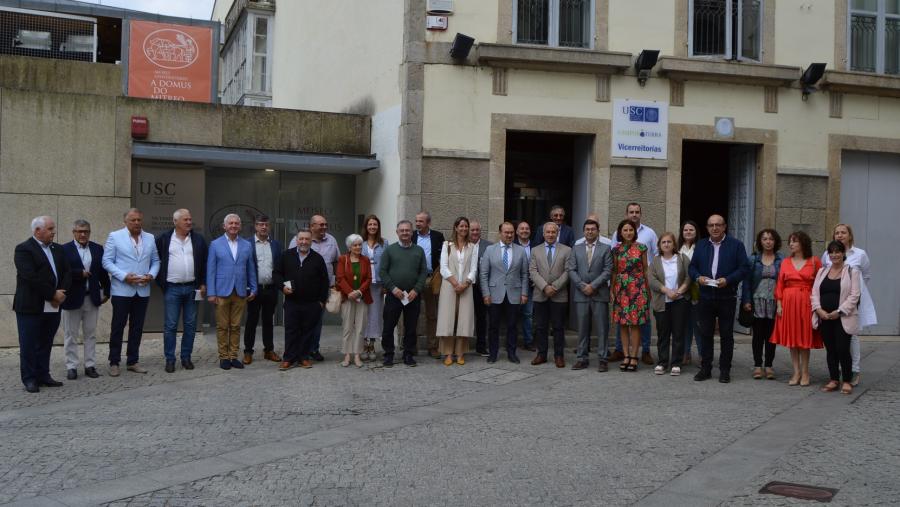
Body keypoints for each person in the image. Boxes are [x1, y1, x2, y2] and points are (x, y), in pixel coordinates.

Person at [689, 214, 748, 383]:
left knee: (726, 335)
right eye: (711, 225)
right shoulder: (700, 245)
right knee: (705, 333)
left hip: (726, 296)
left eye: (718, 225)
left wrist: (728, 280)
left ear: (724, 227)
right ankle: (706, 368)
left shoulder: (736, 245)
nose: (714, 228)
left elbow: (744, 268)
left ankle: (724, 370)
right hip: (706, 296)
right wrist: (698, 277)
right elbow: (692, 267)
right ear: (707, 228)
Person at [15, 216, 71, 393]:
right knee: (29, 343)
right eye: (50, 229)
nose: (53, 232)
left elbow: (67, 272)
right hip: (31, 305)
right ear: (37, 231)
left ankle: (43, 375)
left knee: (46, 342)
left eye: (53, 228)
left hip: (54, 305)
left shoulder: (58, 249)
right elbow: (30, 277)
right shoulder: (24, 249)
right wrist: (52, 294)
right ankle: (30, 379)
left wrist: (61, 293)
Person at [102, 208, 160, 377]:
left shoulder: (149, 238)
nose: (136, 223)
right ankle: (114, 361)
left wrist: (151, 274)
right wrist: (123, 276)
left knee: (137, 327)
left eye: (139, 220)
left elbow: (156, 261)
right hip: (122, 289)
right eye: (133, 220)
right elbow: (106, 261)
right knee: (118, 326)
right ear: (125, 221)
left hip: (142, 290)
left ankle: (133, 361)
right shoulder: (115, 236)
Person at [821, 223, 875, 386]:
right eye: (837, 233)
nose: (840, 235)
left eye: (843, 232)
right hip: (832, 303)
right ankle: (836, 372)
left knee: (851, 336)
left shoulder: (860, 254)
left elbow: (866, 275)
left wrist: (854, 292)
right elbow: (825, 275)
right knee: (833, 339)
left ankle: (854, 370)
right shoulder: (826, 254)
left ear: (850, 235)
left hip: (851, 300)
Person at [155, 209, 207, 373]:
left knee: (190, 325)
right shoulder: (164, 239)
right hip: (172, 288)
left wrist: (203, 283)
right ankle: (170, 359)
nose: (189, 222)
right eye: (185, 219)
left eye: (190, 219)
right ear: (175, 221)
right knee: (170, 325)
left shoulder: (198, 239)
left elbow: (205, 263)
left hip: (192, 288)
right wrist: (161, 283)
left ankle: (186, 357)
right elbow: (155, 261)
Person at [768, 231, 822, 386]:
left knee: (804, 339)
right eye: (790, 241)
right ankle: (796, 371)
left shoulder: (814, 261)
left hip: (806, 302)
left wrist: (817, 306)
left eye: (794, 241)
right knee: (792, 339)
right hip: (788, 302)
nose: (791, 244)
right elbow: (780, 284)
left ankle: (805, 372)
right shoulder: (785, 262)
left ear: (803, 243)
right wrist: (779, 304)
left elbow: (819, 284)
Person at [207, 213, 258, 371]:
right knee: (222, 326)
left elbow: (251, 268)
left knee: (236, 326)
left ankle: (233, 356)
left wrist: (254, 287)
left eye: (237, 223)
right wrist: (211, 292)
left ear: (240, 226)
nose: (234, 226)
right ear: (224, 226)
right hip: (221, 291)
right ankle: (223, 357)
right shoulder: (215, 244)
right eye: (231, 223)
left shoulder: (247, 245)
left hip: (240, 291)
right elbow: (211, 270)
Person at [60, 219, 109, 380]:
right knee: (70, 334)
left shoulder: (97, 248)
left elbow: (103, 272)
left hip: (92, 297)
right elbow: (62, 273)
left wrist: (107, 291)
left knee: (91, 334)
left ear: (89, 232)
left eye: (86, 231)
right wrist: (78, 274)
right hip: (72, 297)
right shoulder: (64, 250)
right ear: (73, 232)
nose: (82, 234)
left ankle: (90, 365)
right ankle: (71, 366)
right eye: (79, 231)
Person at [611, 202, 659, 365]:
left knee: (637, 324)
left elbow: (646, 269)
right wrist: (612, 290)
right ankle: (625, 355)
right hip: (621, 289)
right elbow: (615, 271)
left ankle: (634, 356)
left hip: (638, 289)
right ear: (621, 232)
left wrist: (648, 289)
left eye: (631, 230)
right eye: (625, 230)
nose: (628, 232)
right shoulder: (616, 249)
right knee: (623, 324)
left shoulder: (641, 248)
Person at [275, 230, 329, 370]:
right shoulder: (286, 255)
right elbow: (277, 274)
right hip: (292, 302)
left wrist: (321, 301)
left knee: (307, 332)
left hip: (311, 303)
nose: (304, 242)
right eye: (301, 239)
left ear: (311, 241)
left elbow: (324, 281)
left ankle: (303, 357)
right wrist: (282, 287)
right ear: (296, 240)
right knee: (291, 331)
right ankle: (288, 358)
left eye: (307, 239)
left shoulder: (318, 258)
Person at [812, 241, 861, 395]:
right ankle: (833, 379)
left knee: (842, 349)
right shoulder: (822, 271)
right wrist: (818, 310)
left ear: (843, 253)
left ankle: (846, 380)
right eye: (831, 252)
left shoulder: (852, 271)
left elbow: (855, 296)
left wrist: (839, 311)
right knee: (831, 350)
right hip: (825, 317)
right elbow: (814, 293)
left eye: (837, 251)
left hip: (842, 317)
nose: (834, 255)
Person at [380, 220, 428, 367]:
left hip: (412, 296)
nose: (405, 233)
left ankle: (408, 354)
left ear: (412, 232)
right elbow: (382, 271)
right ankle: (388, 354)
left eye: (408, 230)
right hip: (394, 295)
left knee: (411, 327)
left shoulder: (419, 250)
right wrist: (393, 289)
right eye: (402, 230)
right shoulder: (389, 250)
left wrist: (416, 289)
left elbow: (423, 272)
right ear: (397, 232)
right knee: (388, 326)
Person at [480, 222, 529, 364]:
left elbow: (524, 274)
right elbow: (484, 274)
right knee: (493, 326)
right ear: (500, 233)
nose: (509, 235)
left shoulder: (520, 251)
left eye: (511, 232)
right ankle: (493, 354)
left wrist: (524, 293)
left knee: (512, 326)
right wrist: (486, 294)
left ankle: (512, 353)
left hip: (514, 293)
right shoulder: (490, 250)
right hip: (494, 294)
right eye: (506, 232)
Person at [567, 219, 612, 371]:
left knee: (602, 328)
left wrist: (593, 286)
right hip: (581, 294)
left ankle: (603, 358)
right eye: (587, 229)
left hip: (599, 293)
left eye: (593, 229)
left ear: (598, 231)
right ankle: (581, 358)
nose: (590, 231)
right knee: (582, 328)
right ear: (583, 231)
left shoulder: (606, 248)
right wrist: (582, 285)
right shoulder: (576, 248)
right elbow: (571, 269)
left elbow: (608, 270)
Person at [741, 229, 783, 380]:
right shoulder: (753, 259)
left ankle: (769, 365)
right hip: (757, 301)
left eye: (771, 239)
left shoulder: (781, 260)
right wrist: (746, 300)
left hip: (774, 301)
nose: (768, 242)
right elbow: (746, 281)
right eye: (765, 239)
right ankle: (758, 365)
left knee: (771, 336)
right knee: (758, 335)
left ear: (775, 241)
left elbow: (783, 282)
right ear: (760, 241)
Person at [436, 217, 478, 366]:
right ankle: (448, 354)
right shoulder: (447, 245)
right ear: (455, 227)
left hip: (466, 287)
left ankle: (460, 353)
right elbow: (443, 267)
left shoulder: (473, 247)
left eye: (466, 226)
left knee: (464, 321)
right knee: (448, 320)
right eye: (461, 226)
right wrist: (455, 283)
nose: (464, 229)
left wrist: (465, 283)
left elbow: (474, 268)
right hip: (449, 285)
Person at [648, 232, 690, 376]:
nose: (666, 244)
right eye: (663, 242)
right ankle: (662, 362)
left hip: (679, 301)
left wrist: (679, 291)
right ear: (659, 245)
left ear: (674, 244)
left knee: (678, 333)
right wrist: (667, 291)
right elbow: (652, 280)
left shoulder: (682, 259)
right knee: (663, 334)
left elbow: (689, 277)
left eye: (669, 242)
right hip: (662, 302)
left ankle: (676, 363)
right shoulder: (655, 261)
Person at [243, 215, 283, 365]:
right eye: (260, 224)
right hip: (254, 290)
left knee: (268, 321)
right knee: (251, 321)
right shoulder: (247, 244)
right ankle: (248, 351)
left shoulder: (276, 245)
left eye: (266, 224)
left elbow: (279, 267)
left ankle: (268, 350)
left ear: (269, 227)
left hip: (271, 289)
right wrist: (247, 288)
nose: (263, 227)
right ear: (255, 226)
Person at [531, 222, 571, 367]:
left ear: (557, 233)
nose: (550, 234)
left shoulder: (567, 250)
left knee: (558, 327)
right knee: (541, 326)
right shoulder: (535, 250)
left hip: (559, 294)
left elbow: (568, 271)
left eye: (553, 232)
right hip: (540, 294)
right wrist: (544, 287)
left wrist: (554, 287)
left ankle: (559, 356)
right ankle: (541, 354)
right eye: (547, 232)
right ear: (543, 234)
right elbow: (533, 271)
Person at [336, 234, 372, 368]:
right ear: (349, 247)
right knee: (347, 327)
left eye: (359, 245)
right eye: (355, 245)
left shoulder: (366, 260)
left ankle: (357, 354)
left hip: (362, 297)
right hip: (347, 298)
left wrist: (359, 292)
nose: (358, 247)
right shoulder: (342, 259)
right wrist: (350, 292)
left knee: (360, 327)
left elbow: (368, 278)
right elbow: (340, 278)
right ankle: (347, 354)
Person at [415, 211, 446, 358]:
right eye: (416, 221)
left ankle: (433, 346)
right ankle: (411, 345)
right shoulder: (411, 236)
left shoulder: (438, 237)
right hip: (413, 279)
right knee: (411, 313)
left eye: (421, 221)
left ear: (428, 223)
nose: (417, 224)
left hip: (431, 278)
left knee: (432, 314)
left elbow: (444, 257)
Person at [309, 214, 339, 362]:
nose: (324, 227)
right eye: (321, 225)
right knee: (302, 319)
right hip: (304, 287)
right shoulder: (301, 239)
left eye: (325, 224)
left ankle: (314, 349)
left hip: (323, 288)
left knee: (317, 320)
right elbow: (290, 260)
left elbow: (336, 262)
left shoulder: (332, 240)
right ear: (312, 226)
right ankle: (300, 349)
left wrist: (334, 282)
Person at [361, 215, 388, 360]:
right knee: (363, 315)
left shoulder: (385, 243)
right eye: (370, 224)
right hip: (363, 285)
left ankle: (372, 345)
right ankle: (363, 344)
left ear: (378, 227)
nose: (372, 227)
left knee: (375, 316)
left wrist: (385, 284)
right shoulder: (361, 243)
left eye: (375, 224)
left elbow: (387, 265)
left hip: (378, 285)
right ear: (366, 227)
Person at [678, 220, 701, 364]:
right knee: (684, 325)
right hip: (681, 291)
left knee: (698, 324)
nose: (688, 232)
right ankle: (685, 353)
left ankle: (702, 354)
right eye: (685, 230)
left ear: (696, 232)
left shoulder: (701, 247)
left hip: (697, 290)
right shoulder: (677, 248)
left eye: (691, 230)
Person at [470, 220, 492, 356]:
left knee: (482, 317)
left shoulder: (489, 246)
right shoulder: (463, 245)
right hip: (465, 287)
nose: (475, 232)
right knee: (463, 317)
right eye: (472, 230)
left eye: (477, 230)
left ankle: (481, 346)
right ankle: (460, 346)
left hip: (481, 287)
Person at [515, 220, 536, 351]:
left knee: (528, 314)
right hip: (514, 286)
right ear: (517, 231)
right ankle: (511, 341)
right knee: (513, 314)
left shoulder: (535, 246)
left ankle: (528, 341)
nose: (524, 231)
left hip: (530, 286)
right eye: (521, 228)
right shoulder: (511, 245)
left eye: (527, 228)